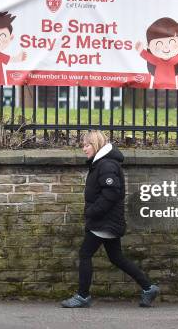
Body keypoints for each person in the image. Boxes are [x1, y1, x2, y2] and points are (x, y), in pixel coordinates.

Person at [61, 130, 159, 308]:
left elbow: (111, 194)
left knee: (85, 254)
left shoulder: (106, 165)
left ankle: (82, 296)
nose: (84, 149)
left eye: (87, 145)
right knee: (116, 257)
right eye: (83, 145)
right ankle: (148, 287)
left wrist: (92, 212)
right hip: (106, 221)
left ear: (96, 145)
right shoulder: (101, 163)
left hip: (103, 221)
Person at [135, 17, 178, 90]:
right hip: (158, 86)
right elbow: (147, 56)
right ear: (149, 45)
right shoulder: (156, 60)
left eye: (171, 42)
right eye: (159, 44)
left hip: (171, 87)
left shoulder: (173, 59)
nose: (166, 48)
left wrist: (141, 51)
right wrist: (141, 50)